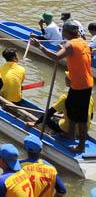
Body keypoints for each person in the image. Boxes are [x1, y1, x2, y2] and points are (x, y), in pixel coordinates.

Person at [31, 21, 93, 152]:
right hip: (82, 83)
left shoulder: (70, 44)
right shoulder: (82, 41)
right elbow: (75, 53)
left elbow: (56, 57)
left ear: (68, 32)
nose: (62, 34)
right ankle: (70, 133)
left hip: (81, 86)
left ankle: (81, 145)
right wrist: (64, 50)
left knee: (80, 117)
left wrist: (39, 46)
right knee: (70, 108)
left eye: (63, 31)